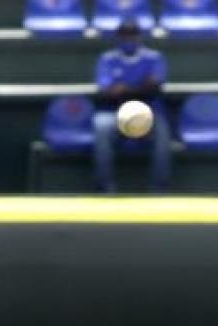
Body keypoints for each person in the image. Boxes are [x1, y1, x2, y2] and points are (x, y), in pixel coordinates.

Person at [93, 18, 172, 194]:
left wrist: (125, 88)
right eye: (125, 35)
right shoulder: (107, 59)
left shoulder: (153, 58)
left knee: (162, 129)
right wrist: (138, 87)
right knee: (100, 126)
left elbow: (155, 84)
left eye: (133, 34)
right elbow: (107, 90)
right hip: (115, 110)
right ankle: (105, 187)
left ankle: (159, 188)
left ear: (139, 36)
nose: (129, 39)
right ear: (118, 37)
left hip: (148, 109)